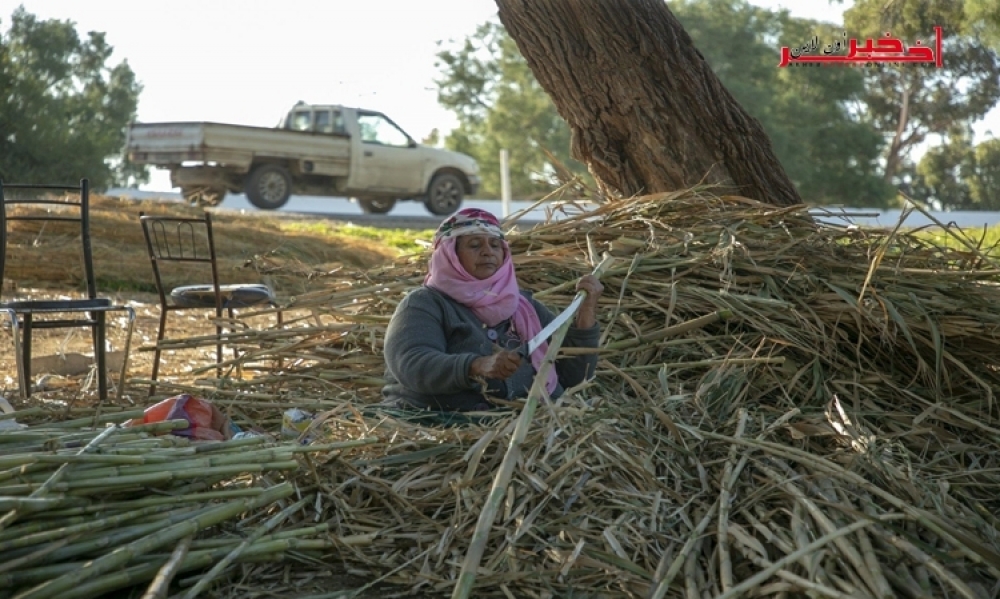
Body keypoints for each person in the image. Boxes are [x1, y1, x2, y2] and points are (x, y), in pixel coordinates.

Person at [381, 208, 604, 412]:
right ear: (450, 255)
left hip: (519, 429)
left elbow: (575, 379)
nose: (488, 252)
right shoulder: (424, 303)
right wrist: (475, 366)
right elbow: (411, 363)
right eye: (475, 245)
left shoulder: (523, 307)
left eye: (495, 245)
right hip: (443, 425)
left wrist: (585, 318)